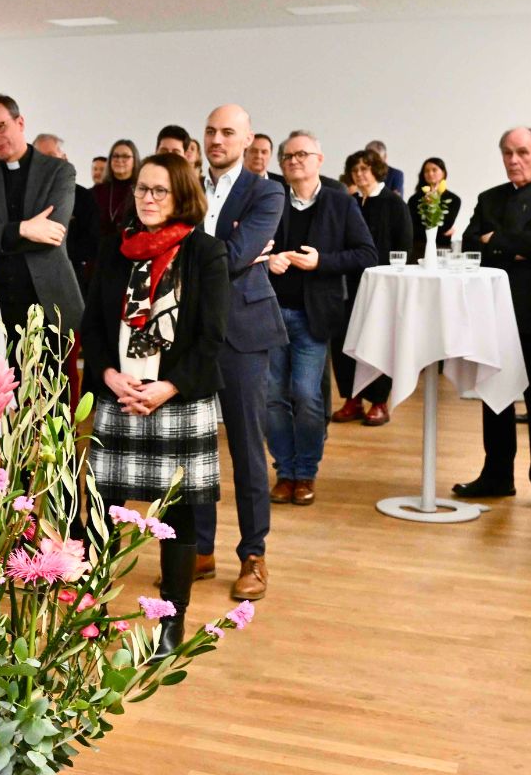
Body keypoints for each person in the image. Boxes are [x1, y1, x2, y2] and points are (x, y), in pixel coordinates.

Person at [81, 152, 230, 655]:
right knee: (101, 510)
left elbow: (212, 338)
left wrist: (168, 387)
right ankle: (92, 612)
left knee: (178, 516)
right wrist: (107, 375)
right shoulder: (115, 247)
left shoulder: (205, 252)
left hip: (177, 399)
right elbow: (93, 326)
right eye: (142, 189)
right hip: (119, 395)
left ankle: (172, 619)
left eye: (159, 190)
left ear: (182, 195)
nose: (147, 198)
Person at [452, 128, 531, 514]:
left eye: (522, 152)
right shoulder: (489, 198)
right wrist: (520, 243)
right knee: (495, 398)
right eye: (507, 153)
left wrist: (497, 240)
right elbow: (471, 245)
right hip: (494, 313)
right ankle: (496, 475)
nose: (514, 160)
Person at [264, 132, 378, 507]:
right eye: (287, 156)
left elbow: (367, 254)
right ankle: (285, 472)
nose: (294, 160)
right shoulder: (271, 199)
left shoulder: (339, 202)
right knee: (273, 399)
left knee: (306, 395)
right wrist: (267, 261)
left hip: (313, 316)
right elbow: (250, 250)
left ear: (319, 159)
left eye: (302, 154)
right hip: (271, 314)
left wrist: (321, 262)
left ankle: (306, 471)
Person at [201, 104, 287, 601]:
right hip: (190, 333)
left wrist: (194, 251)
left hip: (244, 331)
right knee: (193, 445)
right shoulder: (186, 186)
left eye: (228, 132)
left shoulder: (265, 191)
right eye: (211, 131)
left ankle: (253, 554)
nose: (217, 139)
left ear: (247, 139)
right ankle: (199, 549)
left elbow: (235, 258)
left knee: (247, 447)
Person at [0, 93, 85, 365]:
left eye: (0, 126)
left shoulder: (58, 171)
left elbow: (52, 233)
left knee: (50, 389)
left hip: (49, 301)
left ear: (20, 122)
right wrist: (23, 229)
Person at [330, 149, 412, 426]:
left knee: (378, 341)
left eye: (364, 169)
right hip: (348, 283)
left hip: (381, 286)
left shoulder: (394, 203)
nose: (359, 174)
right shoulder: (349, 202)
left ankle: (379, 401)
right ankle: (352, 399)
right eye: (355, 170)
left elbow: (404, 248)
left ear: (376, 170)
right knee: (344, 341)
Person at [34, 132, 101, 289]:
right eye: (40, 158)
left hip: (72, 277)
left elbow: (92, 241)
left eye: (51, 156)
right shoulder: (25, 197)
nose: (45, 163)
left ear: (64, 158)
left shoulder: (83, 197)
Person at [406, 157, 461, 263]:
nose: (430, 173)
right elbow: (412, 228)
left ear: (443, 173)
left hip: (442, 249)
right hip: (417, 248)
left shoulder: (453, 199)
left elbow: (446, 225)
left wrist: (441, 230)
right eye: (426, 171)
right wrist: (442, 232)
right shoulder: (414, 199)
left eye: (434, 170)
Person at [92, 138, 139, 236]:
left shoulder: (140, 192)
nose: (119, 160)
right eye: (115, 156)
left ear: (135, 160)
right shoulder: (96, 191)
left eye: (125, 156)